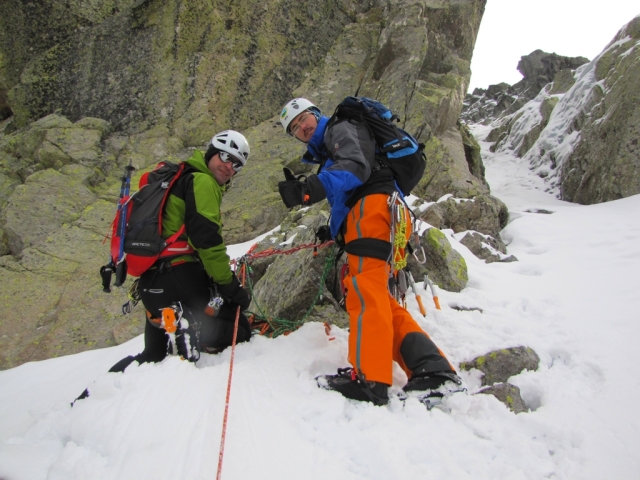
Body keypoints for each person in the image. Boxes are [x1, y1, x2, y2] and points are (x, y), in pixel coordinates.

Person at [277, 98, 460, 406]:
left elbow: (355, 168)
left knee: (365, 292)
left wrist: (308, 188)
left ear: (316, 114)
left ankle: (369, 378)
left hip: (373, 210)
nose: (302, 127)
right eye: (294, 128)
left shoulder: (340, 127)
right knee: (379, 298)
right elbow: (346, 191)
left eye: (304, 118)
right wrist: (335, 231)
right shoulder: (332, 145)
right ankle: (433, 370)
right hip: (382, 213)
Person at [106, 131, 253, 379]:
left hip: (150, 285)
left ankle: (101, 387)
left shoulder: (179, 177)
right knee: (241, 330)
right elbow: (207, 241)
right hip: (181, 278)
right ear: (211, 152)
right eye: (226, 157)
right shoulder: (202, 182)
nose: (229, 167)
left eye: (237, 164)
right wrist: (229, 285)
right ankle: (190, 327)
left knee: (152, 356)